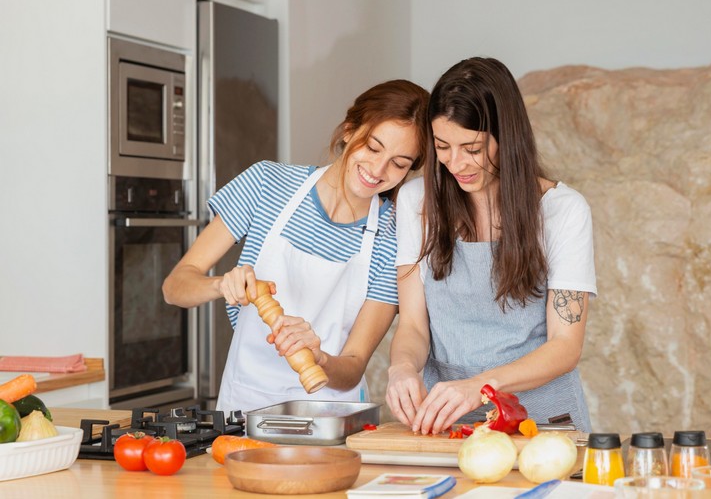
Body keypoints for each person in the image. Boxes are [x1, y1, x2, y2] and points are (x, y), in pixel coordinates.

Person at [163, 79, 430, 412]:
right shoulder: (267, 184)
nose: (378, 170)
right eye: (373, 148)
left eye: (399, 163)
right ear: (349, 130)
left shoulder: (395, 235)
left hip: (330, 416)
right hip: (245, 406)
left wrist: (318, 357)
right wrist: (220, 284)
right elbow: (175, 286)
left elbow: (353, 366)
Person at [385, 58, 597, 435]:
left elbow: (565, 346)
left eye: (472, 147)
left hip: (543, 423)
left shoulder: (562, 210)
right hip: (447, 422)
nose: (456, 162)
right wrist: (401, 368)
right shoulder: (417, 201)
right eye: (442, 147)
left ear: (508, 136)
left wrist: (480, 387)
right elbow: (414, 325)